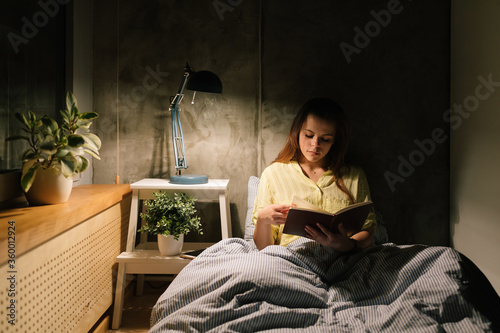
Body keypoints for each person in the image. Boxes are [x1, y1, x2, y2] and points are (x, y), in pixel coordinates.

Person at [252, 98, 376, 252]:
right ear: (297, 133)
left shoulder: (354, 176)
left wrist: (345, 245)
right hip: (291, 259)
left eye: (325, 139)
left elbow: (368, 232)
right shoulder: (274, 174)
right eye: (309, 135)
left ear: (335, 141)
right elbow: (264, 248)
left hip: (343, 258)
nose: (315, 145)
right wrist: (263, 219)